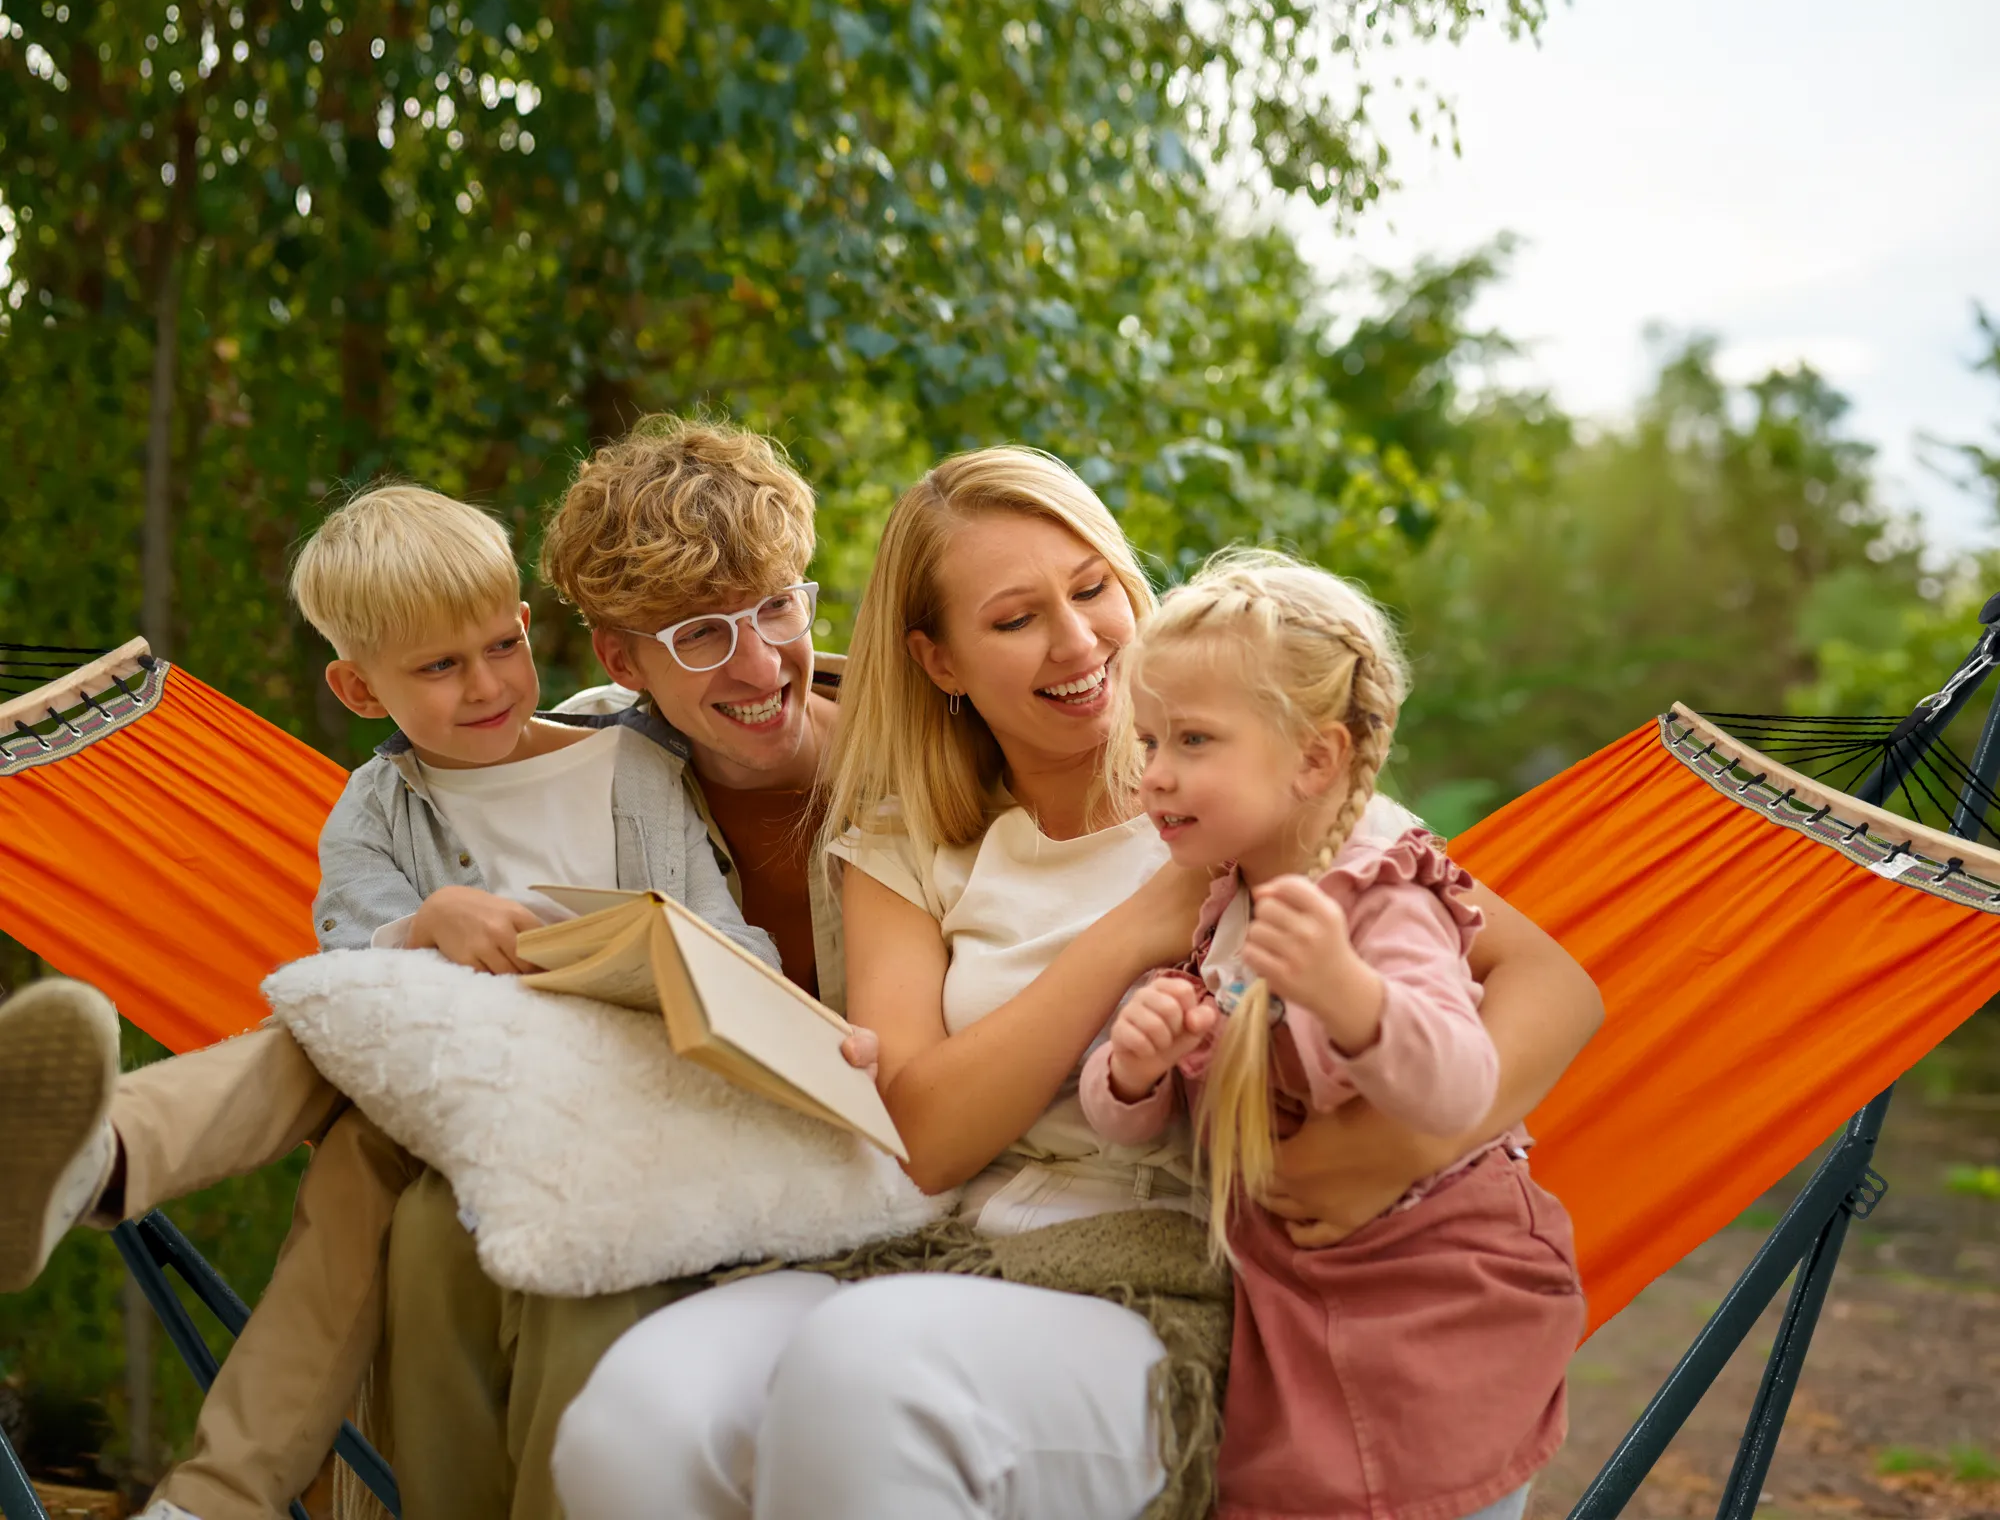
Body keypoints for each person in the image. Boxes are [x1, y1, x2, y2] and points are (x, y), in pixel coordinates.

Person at [551, 446, 1604, 1520]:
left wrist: (1402, 1147)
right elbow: (923, 1132)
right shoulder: (904, 847)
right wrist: (1126, 935)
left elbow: (1551, 984)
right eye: (1013, 619)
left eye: (1092, 586)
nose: (1077, 639)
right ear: (940, 660)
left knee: (872, 1369)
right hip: (938, 1243)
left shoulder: (1245, 788)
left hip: (1169, 1271)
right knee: (636, 1417)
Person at [0, 481, 770, 1520]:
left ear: (526, 625)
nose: (485, 682)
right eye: (438, 666)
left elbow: (733, 948)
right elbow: (351, 975)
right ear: (360, 690)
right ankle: (91, 1188)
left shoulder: (630, 765)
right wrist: (424, 924)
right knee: (342, 1056)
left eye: (498, 644)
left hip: (617, 1089)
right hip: (446, 1099)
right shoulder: (371, 812)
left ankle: (106, 1162)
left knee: (341, 1110)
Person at [377, 418, 852, 1520]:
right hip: (627, 1115)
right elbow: (411, 832)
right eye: (696, 634)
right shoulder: (575, 756)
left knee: (583, 1256)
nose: (755, 662)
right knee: (428, 1224)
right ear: (620, 658)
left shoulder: (916, 765)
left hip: (824, 1160)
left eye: (775, 605)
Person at [1079, 550, 1585, 1520]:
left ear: (1314, 757)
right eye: (1147, 740)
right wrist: (1132, 1068)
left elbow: (1456, 1085)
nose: (1153, 774)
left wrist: (1350, 997)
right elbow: (1129, 1120)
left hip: (1436, 1298)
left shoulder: (1380, 897)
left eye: (1191, 739)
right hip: (1302, 1302)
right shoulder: (1229, 892)